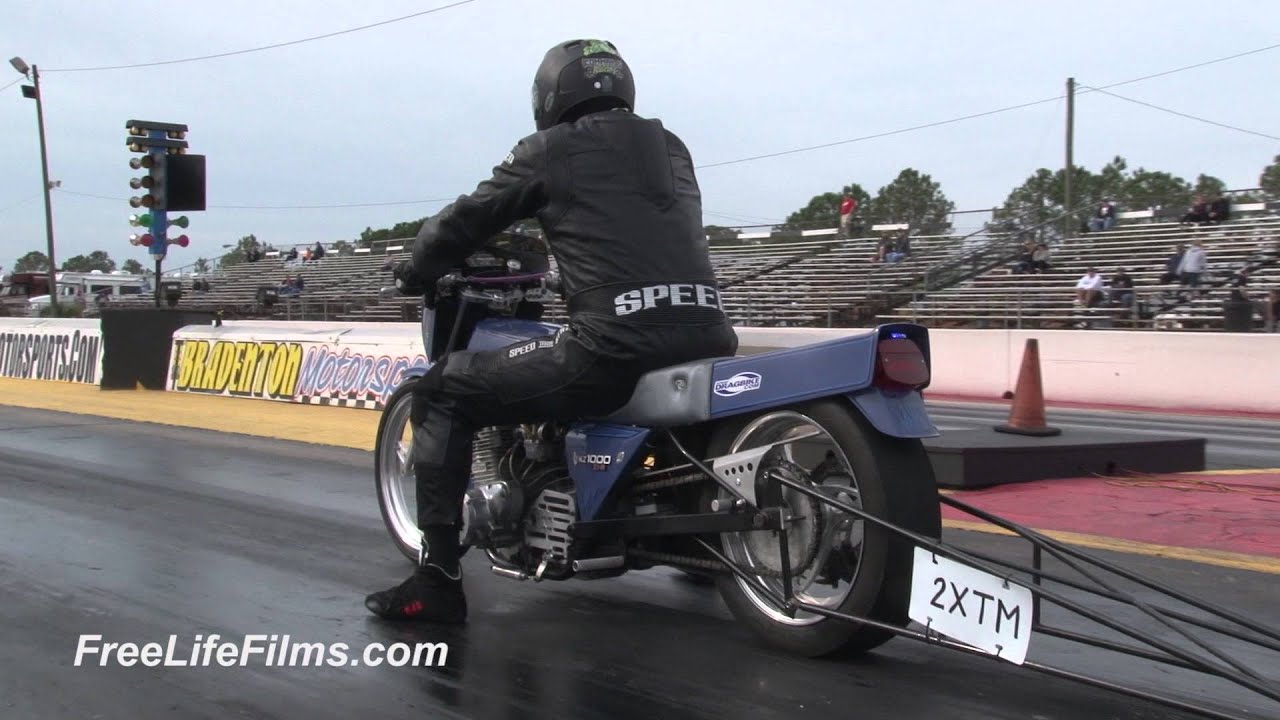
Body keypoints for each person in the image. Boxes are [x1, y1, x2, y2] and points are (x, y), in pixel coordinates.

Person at [365, 39, 740, 623]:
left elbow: (468, 218)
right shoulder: (672, 148)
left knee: (440, 392)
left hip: (614, 347)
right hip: (708, 335)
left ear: (550, 95)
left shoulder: (552, 149)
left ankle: (436, 579)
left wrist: (418, 266)